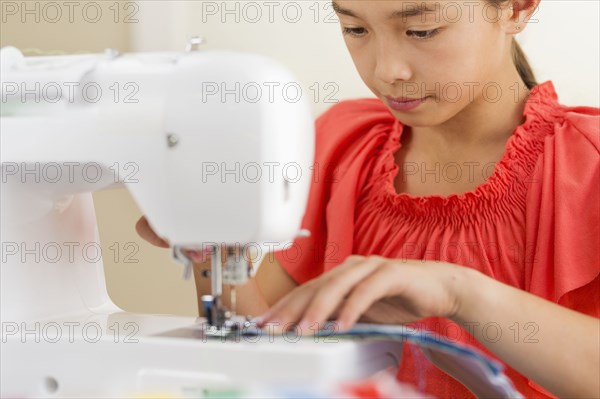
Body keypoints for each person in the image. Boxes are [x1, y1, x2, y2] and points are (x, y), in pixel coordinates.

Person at [136, 0, 600, 397]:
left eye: (422, 30)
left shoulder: (587, 166)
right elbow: (264, 352)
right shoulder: (339, 146)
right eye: (355, 28)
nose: (387, 70)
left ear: (517, 7)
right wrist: (214, 247)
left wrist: (460, 294)